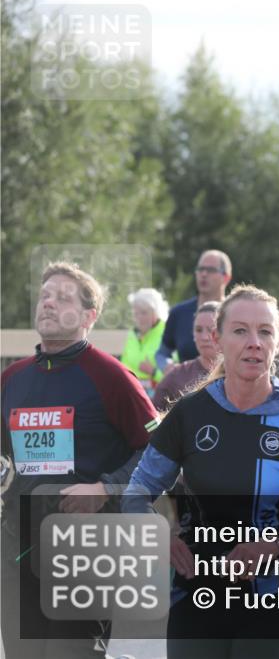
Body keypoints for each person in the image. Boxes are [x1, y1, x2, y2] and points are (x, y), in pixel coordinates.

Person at [124, 285, 279, 659]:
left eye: (265, 332)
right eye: (240, 331)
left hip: (275, 593)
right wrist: (156, 534)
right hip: (196, 589)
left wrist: (275, 545)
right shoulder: (190, 414)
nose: (254, 342)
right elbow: (137, 492)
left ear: (277, 342)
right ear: (217, 339)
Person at [1, 262, 158, 659]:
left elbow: (161, 454)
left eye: (63, 297)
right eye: (44, 295)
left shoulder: (112, 377)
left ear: (89, 316)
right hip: (17, 549)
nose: (48, 303)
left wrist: (105, 488)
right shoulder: (12, 379)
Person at [156, 249, 231, 372]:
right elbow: (161, 354)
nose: (204, 274)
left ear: (226, 277)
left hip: (228, 387)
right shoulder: (179, 313)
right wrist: (168, 368)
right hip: (186, 388)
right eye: (200, 269)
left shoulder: (236, 313)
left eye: (211, 270)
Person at [152, 301, 221, 412]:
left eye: (211, 329)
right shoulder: (176, 377)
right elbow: (151, 420)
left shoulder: (239, 374)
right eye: (198, 330)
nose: (204, 337)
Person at [122, 287, 170, 399]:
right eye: (135, 313)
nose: (139, 318)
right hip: (133, 396)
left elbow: (177, 378)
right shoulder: (132, 335)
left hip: (161, 399)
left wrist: (153, 372)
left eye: (143, 313)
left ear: (156, 313)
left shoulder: (167, 334)